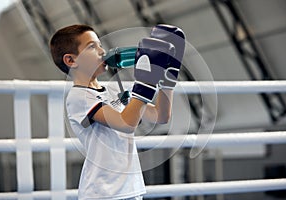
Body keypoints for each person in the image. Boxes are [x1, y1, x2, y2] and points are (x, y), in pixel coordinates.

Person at [49, 24, 185, 200]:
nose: (102, 51)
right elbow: (125, 123)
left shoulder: (114, 90)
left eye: (99, 44)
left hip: (131, 187)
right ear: (71, 60)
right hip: (103, 192)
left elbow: (160, 116)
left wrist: (168, 77)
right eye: (92, 47)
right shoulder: (78, 97)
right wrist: (146, 82)